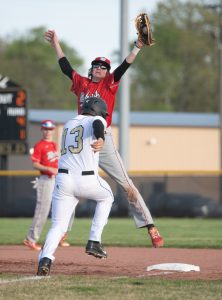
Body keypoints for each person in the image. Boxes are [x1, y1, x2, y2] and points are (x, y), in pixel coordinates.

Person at [44, 29, 164, 248]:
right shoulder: (81, 83)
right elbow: (65, 67)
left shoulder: (109, 82)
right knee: (70, 181)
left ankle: (150, 225)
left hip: (103, 139)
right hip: (83, 140)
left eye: (103, 67)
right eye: (96, 66)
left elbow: (124, 66)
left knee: (125, 183)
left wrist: (137, 46)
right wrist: (56, 44)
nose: (98, 68)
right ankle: (62, 231)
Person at [37, 97, 114, 276]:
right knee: (107, 197)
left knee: (58, 225)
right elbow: (97, 124)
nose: (103, 116)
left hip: (62, 180)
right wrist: (101, 138)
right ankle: (94, 241)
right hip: (86, 178)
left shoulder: (68, 123)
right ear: (98, 110)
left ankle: (45, 259)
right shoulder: (96, 119)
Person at [23, 120, 70, 251]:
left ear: (53, 130)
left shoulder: (54, 145)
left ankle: (60, 236)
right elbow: (35, 164)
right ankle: (30, 239)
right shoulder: (39, 146)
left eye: (50, 129)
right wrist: (48, 169)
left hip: (56, 180)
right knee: (42, 210)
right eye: (45, 129)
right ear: (42, 130)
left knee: (62, 207)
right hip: (45, 179)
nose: (48, 131)